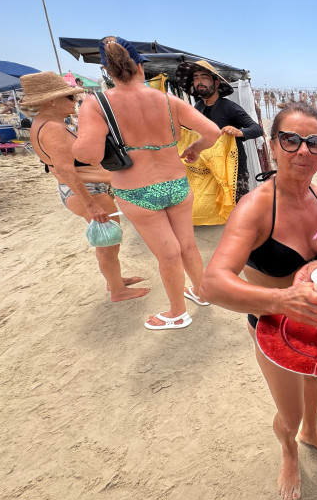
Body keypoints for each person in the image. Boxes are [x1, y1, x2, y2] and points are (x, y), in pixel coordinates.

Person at [200, 103, 317, 500]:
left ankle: (312, 433)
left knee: (316, 382)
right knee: (289, 412)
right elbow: (212, 283)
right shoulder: (256, 206)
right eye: (291, 140)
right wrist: (283, 299)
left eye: (315, 142)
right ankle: (290, 449)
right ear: (273, 145)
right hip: (273, 327)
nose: (303, 150)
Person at [73, 36, 221, 331]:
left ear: (107, 70)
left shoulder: (97, 104)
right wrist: (195, 149)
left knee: (167, 253)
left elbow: (87, 155)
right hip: (177, 183)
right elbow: (213, 131)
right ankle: (201, 292)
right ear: (141, 67)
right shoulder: (168, 100)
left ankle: (177, 312)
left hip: (136, 190)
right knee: (187, 245)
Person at [20, 71, 149, 303]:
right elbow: (65, 169)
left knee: (107, 241)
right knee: (109, 243)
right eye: (69, 97)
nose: (75, 101)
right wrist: (91, 205)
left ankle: (115, 281)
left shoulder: (45, 124)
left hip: (84, 189)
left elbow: (56, 168)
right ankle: (118, 291)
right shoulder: (52, 128)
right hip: (87, 192)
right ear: (51, 100)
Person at [176, 60, 264, 203]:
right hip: (209, 169)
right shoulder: (197, 108)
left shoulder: (229, 107)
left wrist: (239, 132)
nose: (200, 82)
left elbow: (257, 129)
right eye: (196, 78)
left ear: (216, 83)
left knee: (236, 210)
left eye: (204, 77)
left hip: (234, 170)